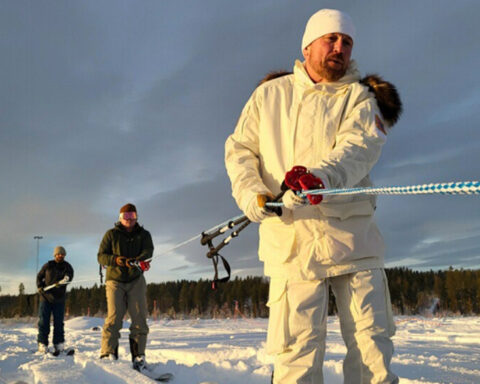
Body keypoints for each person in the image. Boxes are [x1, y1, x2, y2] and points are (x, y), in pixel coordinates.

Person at [225, 9, 401, 384]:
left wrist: (320, 178)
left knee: (374, 352)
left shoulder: (359, 98)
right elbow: (240, 150)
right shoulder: (269, 96)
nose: (340, 47)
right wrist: (252, 194)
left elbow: (361, 146)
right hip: (291, 244)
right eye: (331, 39)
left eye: (347, 42)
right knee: (296, 357)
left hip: (354, 240)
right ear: (307, 46)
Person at [97, 203, 154, 372]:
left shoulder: (144, 235)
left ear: (136, 217)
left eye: (132, 216)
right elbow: (101, 256)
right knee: (114, 318)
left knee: (139, 318)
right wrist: (116, 260)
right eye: (126, 217)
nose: (129, 220)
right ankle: (108, 353)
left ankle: (138, 356)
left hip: (136, 280)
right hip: (115, 281)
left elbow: (148, 251)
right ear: (120, 218)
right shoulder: (111, 234)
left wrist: (139, 260)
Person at [36, 246, 74, 354]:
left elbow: (69, 276)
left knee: (58, 323)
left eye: (62, 254)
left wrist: (65, 280)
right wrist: (40, 286)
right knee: (44, 322)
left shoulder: (67, 267)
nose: (60, 256)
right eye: (58, 254)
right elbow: (39, 277)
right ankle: (42, 343)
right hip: (45, 298)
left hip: (59, 299)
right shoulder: (48, 265)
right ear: (55, 255)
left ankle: (58, 343)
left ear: (64, 255)